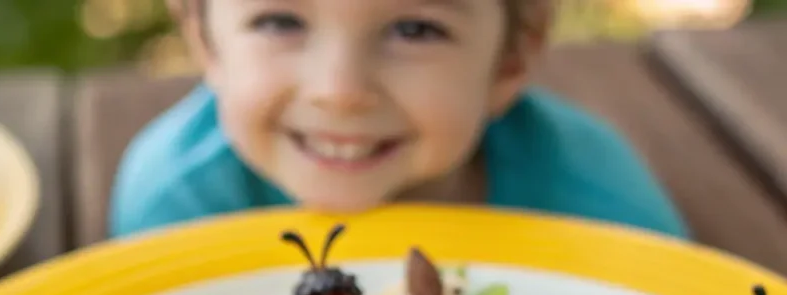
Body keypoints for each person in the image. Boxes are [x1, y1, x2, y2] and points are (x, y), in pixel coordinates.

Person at [109, 0, 689, 240]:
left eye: (415, 29)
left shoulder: (603, 218)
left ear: (511, 59)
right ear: (205, 41)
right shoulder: (176, 209)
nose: (340, 92)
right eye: (281, 20)